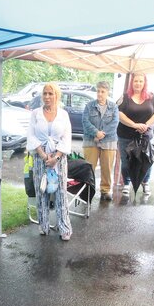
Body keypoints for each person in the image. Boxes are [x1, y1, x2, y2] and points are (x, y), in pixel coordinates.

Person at [27, 82, 73, 240]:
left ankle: (64, 227)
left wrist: (56, 157)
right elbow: (31, 135)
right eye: (45, 93)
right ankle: (43, 224)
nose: (47, 97)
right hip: (41, 158)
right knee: (42, 191)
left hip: (58, 159)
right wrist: (42, 154)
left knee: (60, 193)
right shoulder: (35, 114)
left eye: (50, 94)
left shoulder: (63, 114)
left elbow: (67, 137)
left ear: (57, 96)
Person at [117, 72, 154, 197]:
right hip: (126, 135)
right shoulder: (125, 97)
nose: (138, 83)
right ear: (132, 82)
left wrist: (146, 124)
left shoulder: (150, 97)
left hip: (145, 135)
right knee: (126, 161)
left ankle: (145, 182)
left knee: (147, 159)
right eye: (136, 81)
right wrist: (134, 125)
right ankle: (126, 182)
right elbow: (119, 114)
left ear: (144, 83)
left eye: (141, 81)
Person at [82, 80, 119, 200]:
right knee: (89, 167)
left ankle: (105, 190)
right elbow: (85, 121)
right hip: (90, 140)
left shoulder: (114, 107)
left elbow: (115, 123)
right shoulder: (89, 106)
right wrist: (96, 132)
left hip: (109, 141)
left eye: (102, 91)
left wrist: (103, 133)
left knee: (107, 167)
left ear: (107, 92)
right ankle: (88, 189)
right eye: (98, 91)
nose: (100, 94)